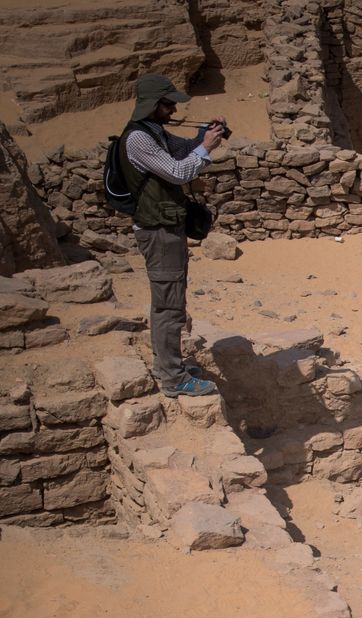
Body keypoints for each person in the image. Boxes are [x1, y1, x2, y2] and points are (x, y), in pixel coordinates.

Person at [119, 74, 229, 398]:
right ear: (152, 105)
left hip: (166, 228)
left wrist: (203, 135)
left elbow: (180, 149)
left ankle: (169, 365)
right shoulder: (137, 139)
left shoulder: (154, 132)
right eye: (168, 104)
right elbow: (178, 170)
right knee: (169, 306)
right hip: (158, 231)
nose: (172, 109)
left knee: (170, 301)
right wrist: (207, 148)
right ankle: (172, 377)